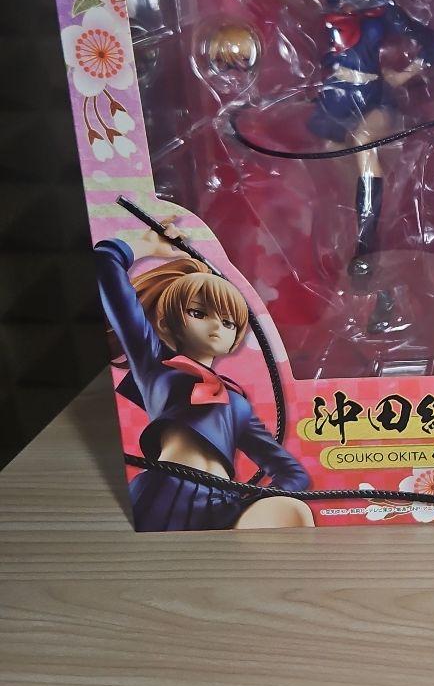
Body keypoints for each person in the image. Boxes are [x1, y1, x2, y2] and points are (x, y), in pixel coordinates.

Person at [97, 218, 313, 531]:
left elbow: (293, 472)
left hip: (222, 502)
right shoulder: (156, 365)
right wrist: (147, 246)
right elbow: (105, 263)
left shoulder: (237, 403)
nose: (216, 326)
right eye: (199, 313)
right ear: (166, 323)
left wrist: (250, 500)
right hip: (166, 489)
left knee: (292, 513)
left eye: (228, 323)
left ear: (236, 337)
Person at [292, 0, 434, 278]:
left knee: (365, 142)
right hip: (335, 98)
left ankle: (367, 242)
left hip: (373, 94)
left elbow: (433, 43)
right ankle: (365, 214)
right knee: (335, 157)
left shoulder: (386, 9)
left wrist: (406, 74)